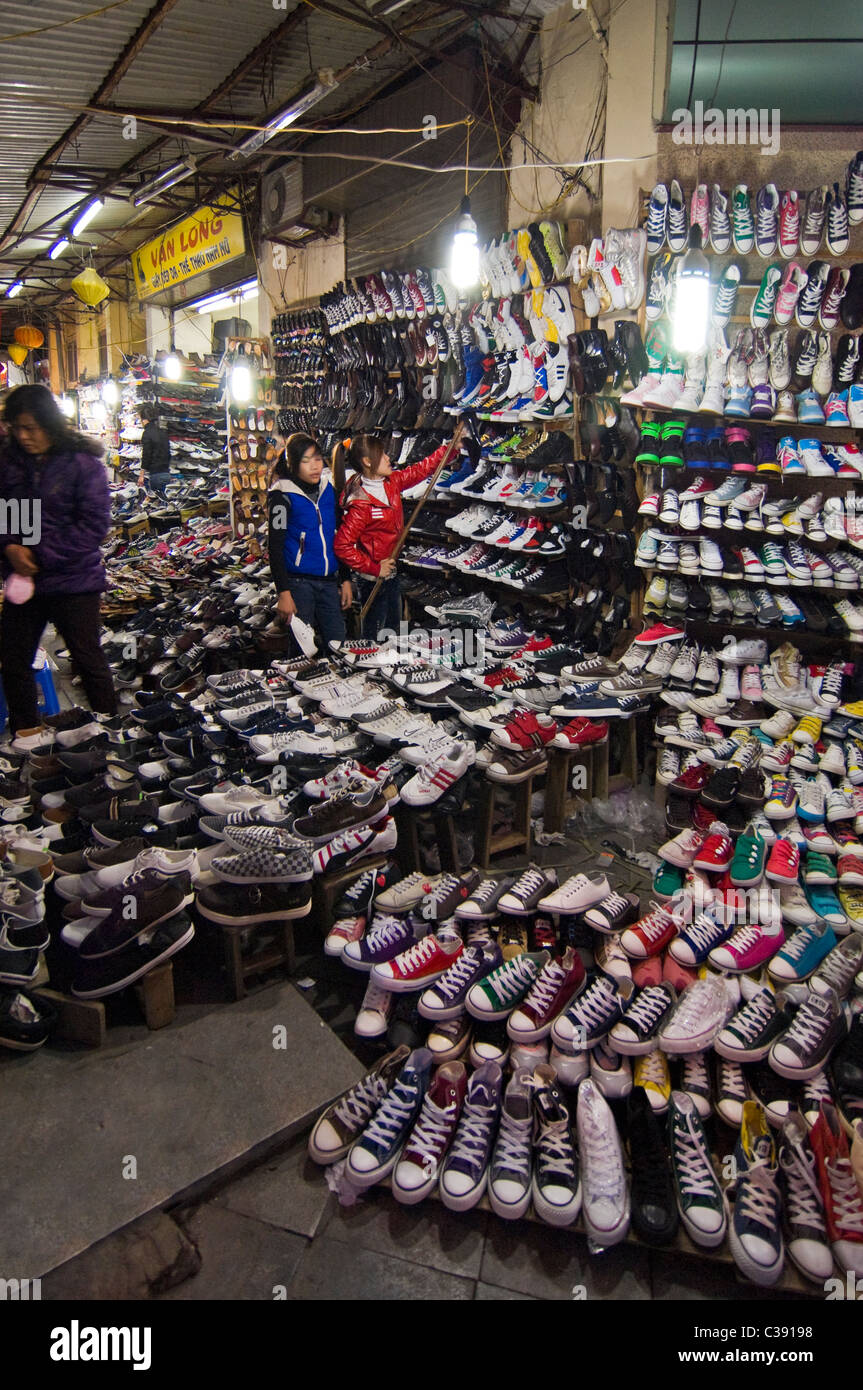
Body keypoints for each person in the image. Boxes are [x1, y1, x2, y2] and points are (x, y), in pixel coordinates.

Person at [0, 384, 117, 744]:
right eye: (17, 428)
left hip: (74, 581)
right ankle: (27, 735)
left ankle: (111, 732)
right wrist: (11, 547)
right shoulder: (13, 463)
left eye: (31, 428)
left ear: (48, 424)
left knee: (87, 659)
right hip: (27, 582)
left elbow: (93, 526)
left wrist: (40, 554)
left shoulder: (81, 464)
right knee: (14, 659)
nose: (24, 436)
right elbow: (12, 513)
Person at [334, 426, 464, 639]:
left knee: (393, 634)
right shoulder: (360, 504)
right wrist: (375, 568)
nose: (388, 457)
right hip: (372, 579)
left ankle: (392, 668)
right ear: (367, 462)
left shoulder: (390, 482)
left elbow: (421, 470)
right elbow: (342, 546)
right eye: (382, 454)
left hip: (391, 572)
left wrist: (450, 448)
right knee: (375, 638)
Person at [268, 428, 352, 648]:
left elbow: (339, 536)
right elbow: (275, 547)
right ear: (293, 464)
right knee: (302, 650)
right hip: (298, 584)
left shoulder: (328, 490)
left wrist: (345, 579)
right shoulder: (281, 496)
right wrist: (283, 592)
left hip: (328, 582)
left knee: (338, 646)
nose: (315, 466)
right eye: (306, 461)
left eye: (317, 459)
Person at [137, 406, 174, 496]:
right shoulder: (163, 432)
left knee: (157, 501)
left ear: (144, 420)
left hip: (156, 473)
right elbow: (168, 453)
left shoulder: (147, 433)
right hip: (166, 472)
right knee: (165, 502)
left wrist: (141, 475)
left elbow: (146, 455)